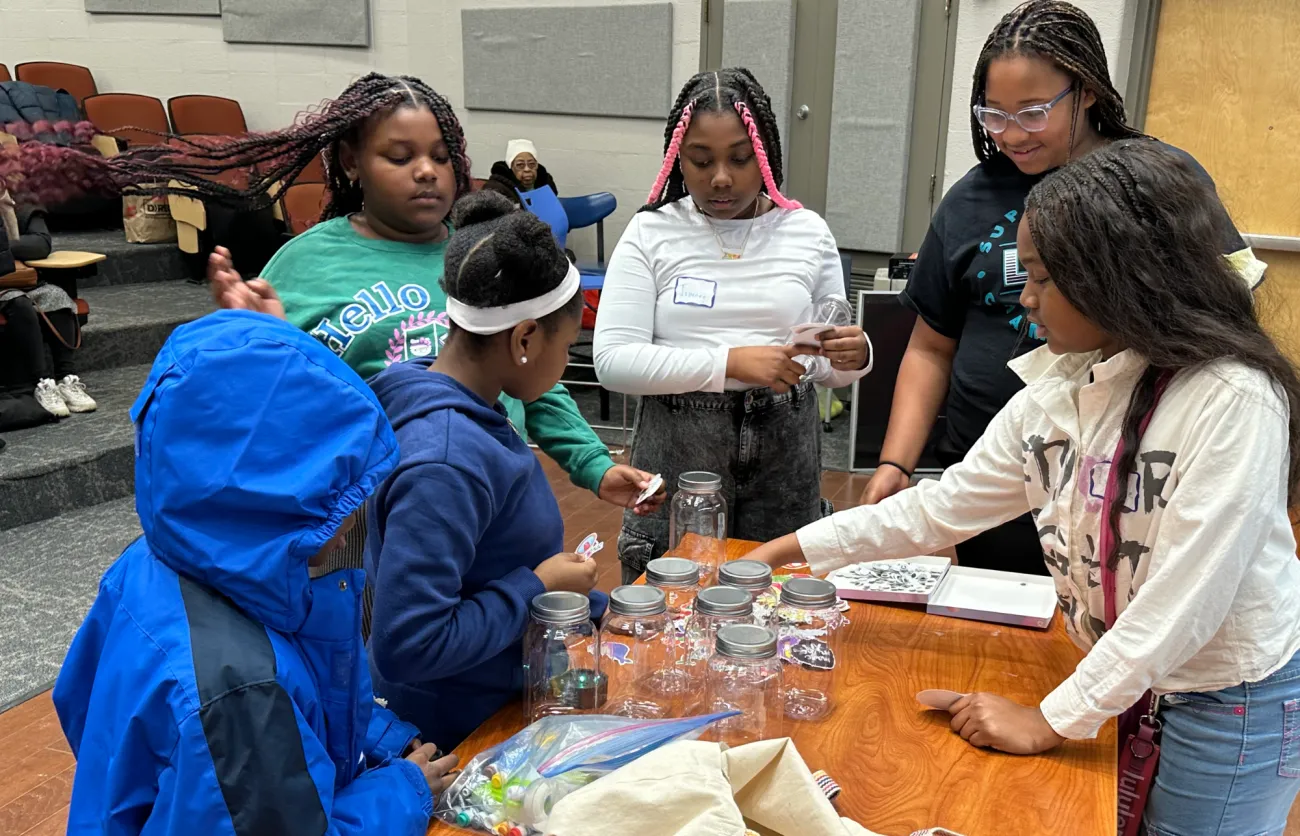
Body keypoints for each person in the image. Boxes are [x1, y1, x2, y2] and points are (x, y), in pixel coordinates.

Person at [748, 140, 1300, 834]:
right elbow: (944, 507)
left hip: (1225, 699)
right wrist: (782, 552)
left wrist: (1051, 720)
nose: (1025, 300)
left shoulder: (1231, 399)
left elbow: (1184, 602)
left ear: (1117, 276)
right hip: (1126, 674)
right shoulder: (1063, 387)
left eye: (1041, 278)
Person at [133, 74, 641, 580]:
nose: (426, 172)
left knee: (483, 631)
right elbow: (272, 409)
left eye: (441, 157)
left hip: (481, 502)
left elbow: (531, 368)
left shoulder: (483, 252)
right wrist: (259, 340)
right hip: (358, 523)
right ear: (352, 162)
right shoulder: (304, 264)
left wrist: (593, 462)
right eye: (400, 157)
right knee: (396, 637)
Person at [859, 0, 1263, 576]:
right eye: (993, 115)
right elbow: (931, 345)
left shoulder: (1155, 179)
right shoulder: (972, 199)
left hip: (1123, 478)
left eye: (1031, 112)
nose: (1011, 134)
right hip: (994, 472)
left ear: (1088, 91)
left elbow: (1225, 320)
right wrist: (897, 463)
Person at [53, 309, 459, 834]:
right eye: (334, 495)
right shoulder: (240, 691)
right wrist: (402, 791)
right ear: (266, 500)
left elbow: (87, 710)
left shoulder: (157, 561)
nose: (350, 515)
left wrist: (375, 736)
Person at [363, 191, 663, 750]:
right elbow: (410, 645)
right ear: (525, 338)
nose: (563, 363)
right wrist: (539, 585)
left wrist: (603, 610)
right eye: (567, 345)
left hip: (499, 696)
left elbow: (491, 565)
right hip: (457, 734)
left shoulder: (473, 409)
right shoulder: (445, 462)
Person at [592, 68, 872, 583]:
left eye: (740, 159)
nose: (720, 177)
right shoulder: (652, 230)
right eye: (701, 161)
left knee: (782, 601)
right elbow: (613, 361)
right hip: (681, 448)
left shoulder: (806, 232)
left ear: (765, 155)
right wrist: (729, 363)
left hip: (785, 451)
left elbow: (828, 368)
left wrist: (854, 357)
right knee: (671, 604)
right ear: (678, 157)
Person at [0, 194, 96, 416]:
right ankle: (42, 383)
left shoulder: (21, 201)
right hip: (5, 289)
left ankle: (67, 378)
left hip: (24, 278)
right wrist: (14, 246)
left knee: (56, 295)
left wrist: (3, 247)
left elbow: (40, 244)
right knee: (19, 303)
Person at [481, 138, 559, 209]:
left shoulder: (546, 182)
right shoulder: (495, 188)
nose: (527, 169)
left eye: (531, 164)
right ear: (510, 167)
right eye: (520, 165)